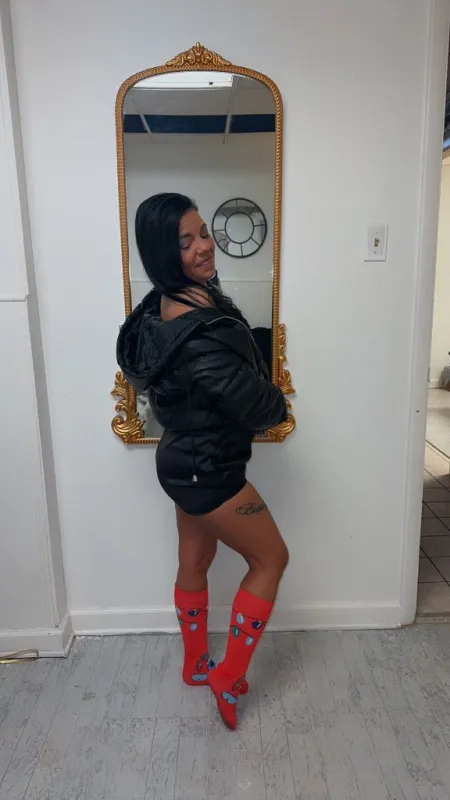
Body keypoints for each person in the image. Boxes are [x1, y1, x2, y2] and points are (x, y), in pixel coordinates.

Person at [116, 192, 289, 730]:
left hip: (182, 463)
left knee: (195, 560)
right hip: (209, 470)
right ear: (162, 254)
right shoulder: (198, 332)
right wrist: (278, 400)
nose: (203, 247)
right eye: (184, 242)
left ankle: (195, 665)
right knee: (271, 560)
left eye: (203, 233)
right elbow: (255, 404)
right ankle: (227, 675)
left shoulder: (168, 304)